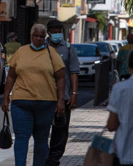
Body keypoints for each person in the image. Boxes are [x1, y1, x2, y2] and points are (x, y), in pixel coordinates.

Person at [1, 24, 66, 166]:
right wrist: (6, 97)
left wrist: (61, 100)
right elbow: (11, 76)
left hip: (46, 103)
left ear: (45, 37)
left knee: (41, 139)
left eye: (41, 36)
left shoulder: (52, 53)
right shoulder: (21, 51)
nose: (38, 39)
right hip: (21, 103)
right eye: (36, 36)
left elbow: (61, 77)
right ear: (31, 36)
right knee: (21, 138)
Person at [44, 19, 80, 166]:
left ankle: (53, 161)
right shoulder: (41, 47)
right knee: (42, 132)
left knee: (60, 133)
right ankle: (43, 157)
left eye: (60, 32)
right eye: (55, 32)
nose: (58, 34)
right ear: (49, 33)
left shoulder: (69, 48)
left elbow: (73, 72)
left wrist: (75, 93)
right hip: (43, 97)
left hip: (63, 97)